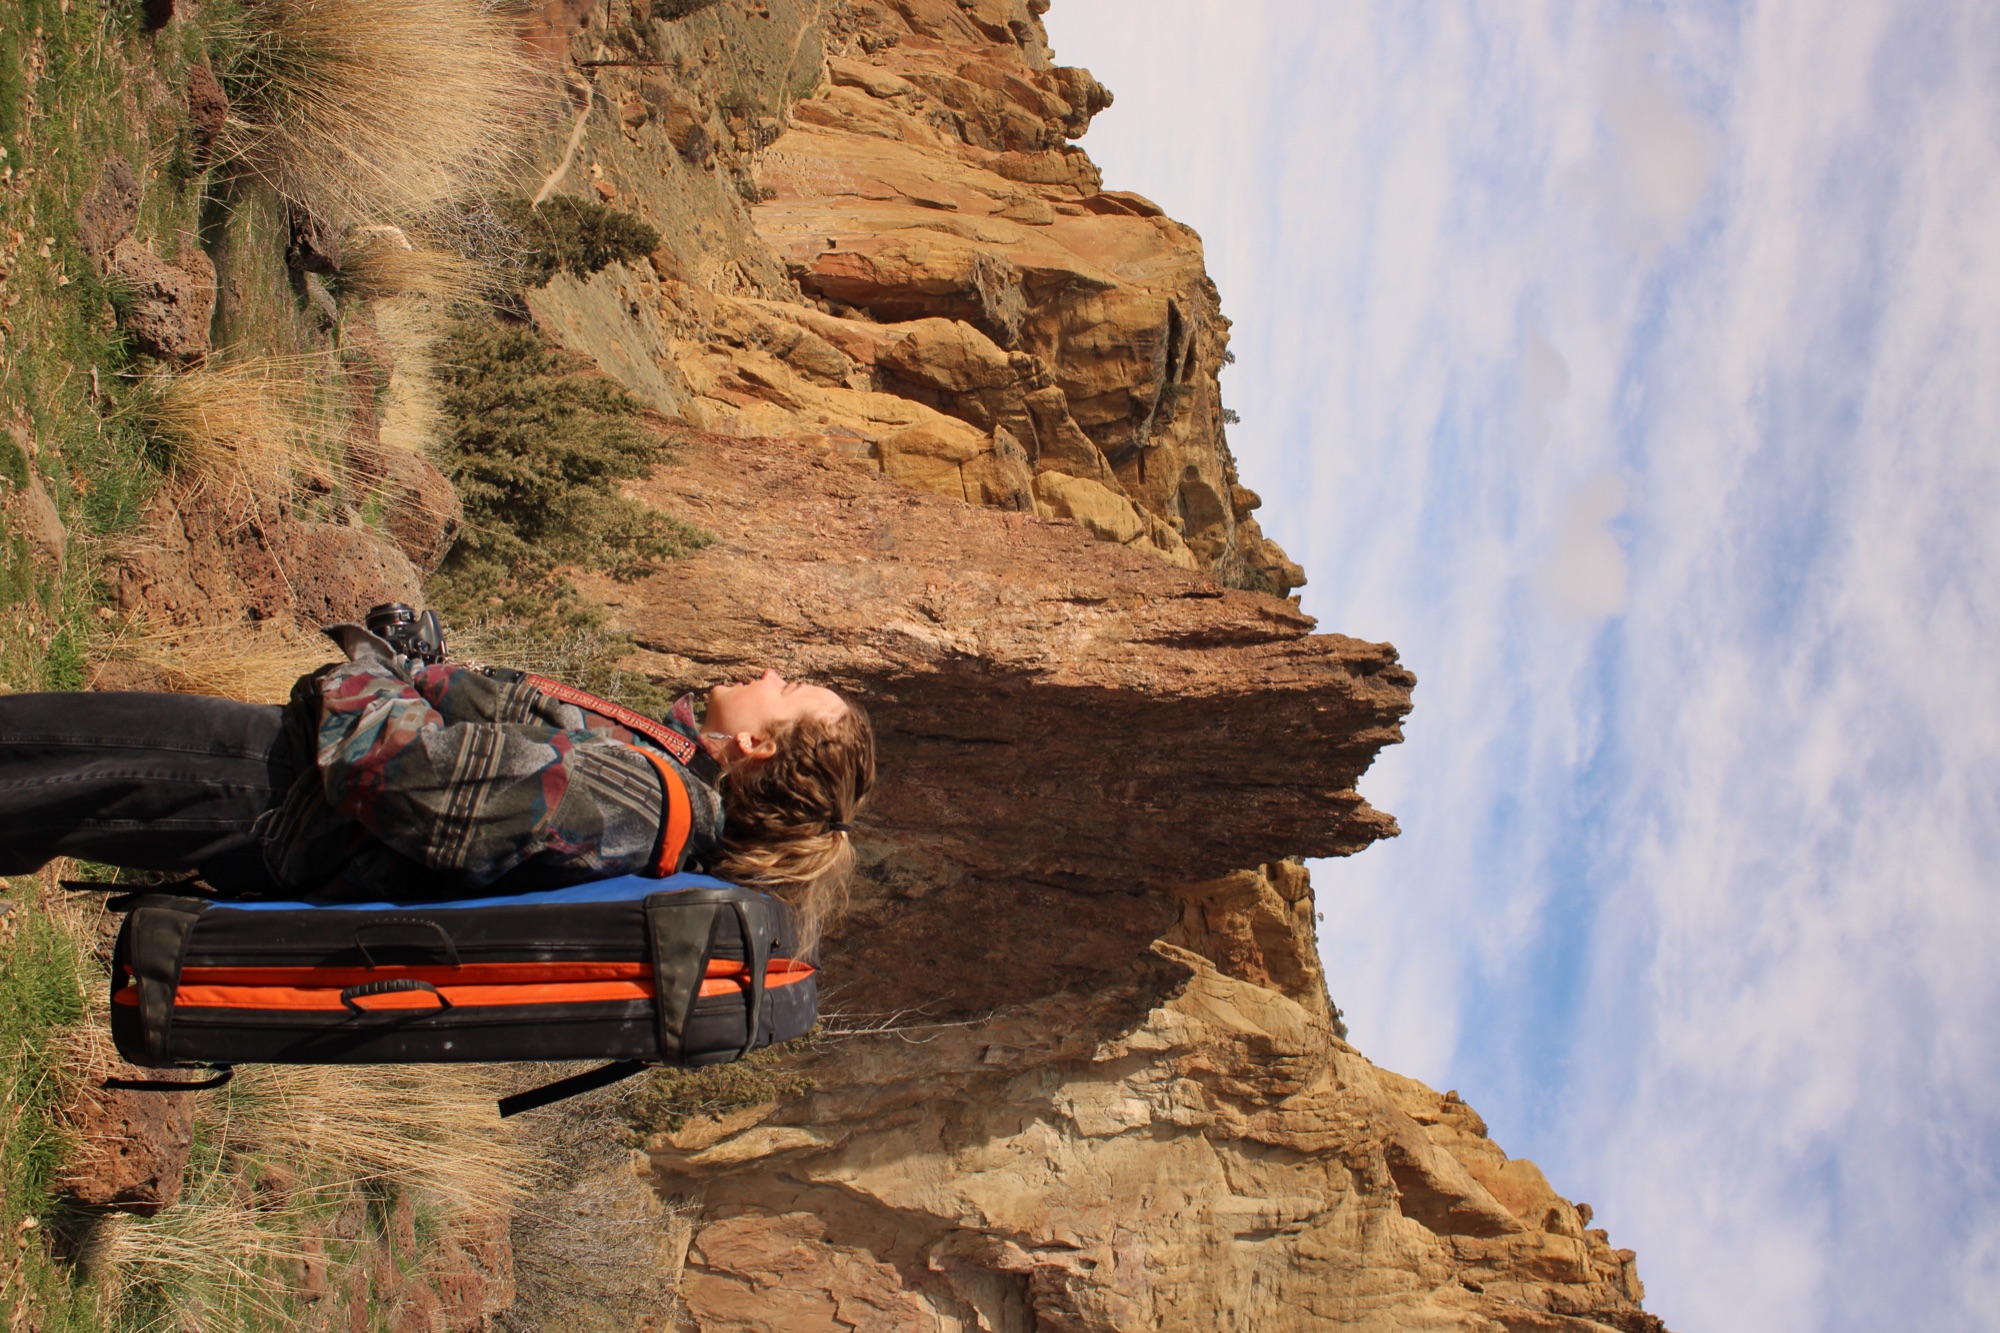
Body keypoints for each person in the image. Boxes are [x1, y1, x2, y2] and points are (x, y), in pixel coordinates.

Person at [0, 623, 875, 947]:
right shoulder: (663, 784)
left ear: (757, 743)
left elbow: (410, 783)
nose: (770, 669)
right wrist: (429, 666)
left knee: (25, 764)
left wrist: (370, 670)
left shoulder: (636, 802)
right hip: (275, 795)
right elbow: (502, 744)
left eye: (791, 686)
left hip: (268, 794)